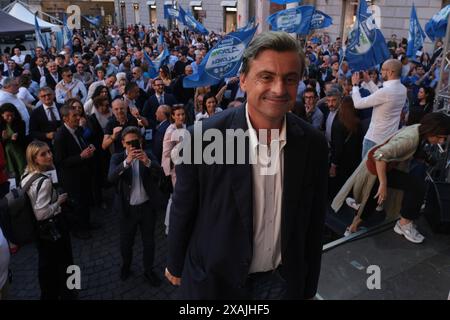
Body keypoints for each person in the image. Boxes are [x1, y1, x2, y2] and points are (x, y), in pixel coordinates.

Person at [165, 31, 328, 299]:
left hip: (281, 284)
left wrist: (308, 287)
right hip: (216, 284)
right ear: (243, 81)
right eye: (266, 77)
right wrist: (175, 262)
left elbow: (313, 223)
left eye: (289, 79)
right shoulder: (202, 138)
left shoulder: (315, 145)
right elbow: (184, 207)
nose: (278, 89)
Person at [332, 113, 450, 242]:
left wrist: (425, 158)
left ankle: (351, 228)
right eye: (441, 137)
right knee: (416, 186)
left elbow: (411, 149)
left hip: (381, 167)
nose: (442, 142)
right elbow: (380, 156)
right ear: (432, 130)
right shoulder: (410, 139)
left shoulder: (418, 129)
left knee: (371, 202)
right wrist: (383, 184)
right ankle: (404, 224)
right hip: (376, 168)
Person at [108, 127, 163, 286]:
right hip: (127, 210)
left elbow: (160, 172)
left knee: (149, 242)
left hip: (147, 208)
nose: (132, 146)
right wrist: (126, 163)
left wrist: (147, 162)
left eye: (135, 142)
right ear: (123, 143)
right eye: (129, 143)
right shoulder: (117, 158)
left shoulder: (149, 154)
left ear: (141, 141)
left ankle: (148, 271)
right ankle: (126, 266)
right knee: (126, 243)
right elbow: (110, 178)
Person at [21, 141, 75, 299]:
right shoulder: (44, 181)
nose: (49, 156)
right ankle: (71, 291)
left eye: (49, 152)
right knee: (67, 261)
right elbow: (41, 213)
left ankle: (50, 294)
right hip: (54, 227)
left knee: (47, 267)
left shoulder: (25, 175)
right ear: (34, 158)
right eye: (43, 154)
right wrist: (59, 201)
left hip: (40, 233)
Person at [53, 105, 95, 239]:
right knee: (77, 204)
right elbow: (60, 161)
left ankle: (87, 224)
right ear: (65, 119)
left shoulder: (76, 130)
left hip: (82, 173)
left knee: (85, 200)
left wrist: (88, 149)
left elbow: (80, 146)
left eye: (78, 115)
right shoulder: (60, 137)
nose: (78, 118)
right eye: (74, 116)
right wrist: (81, 156)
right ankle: (79, 230)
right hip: (71, 178)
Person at [351, 60, 407, 157]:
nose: (381, 72)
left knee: (366, 171)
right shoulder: (403, 89)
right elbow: (382, 97)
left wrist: (355, 86)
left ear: (390, 72)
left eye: (383, 70)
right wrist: (368, 81)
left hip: (374, 139)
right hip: (388, 138)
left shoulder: (386, 92)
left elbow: (358, 104)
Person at [161, 105, 186, 234]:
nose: (181, 117)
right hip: (174, 169)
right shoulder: (170, 130)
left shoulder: (184, 127)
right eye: (178, 115)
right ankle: (169, 226)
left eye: (182, 114)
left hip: (183, 168)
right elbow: (166, 153)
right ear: (172, 116)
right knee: (174, 197)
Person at [0, 103, 26, 181]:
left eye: (12, 115)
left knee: (22, 170)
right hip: (6, 154)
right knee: (11, 174)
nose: (10, 118)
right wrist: (3, 139)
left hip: (18, 152)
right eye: (7, 116)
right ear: (2, 115)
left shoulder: (20, 123)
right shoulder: (1, 125)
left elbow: (24, 140)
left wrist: (17, 138)